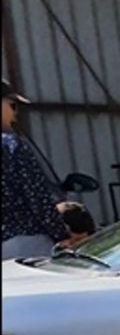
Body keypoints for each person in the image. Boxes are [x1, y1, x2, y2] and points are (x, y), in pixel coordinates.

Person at [2, 80, 68, 261]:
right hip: (24, 241)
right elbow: (36, 195)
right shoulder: (12, 145)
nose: (15, 112)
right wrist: (61, 235)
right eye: (11, 105)